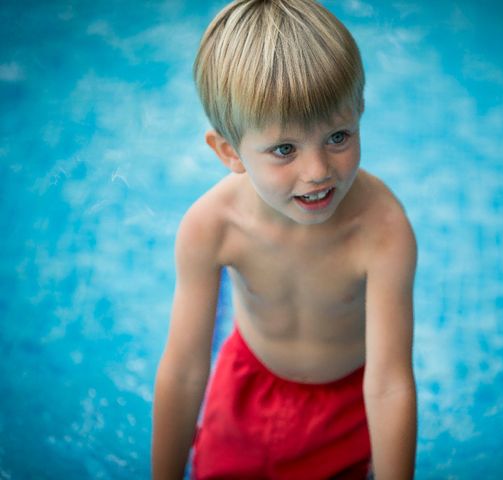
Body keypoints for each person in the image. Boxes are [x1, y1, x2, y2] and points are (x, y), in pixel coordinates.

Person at [151, 0, 417, 478]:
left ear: (360, 112)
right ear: (229, 151)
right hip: (245, 394)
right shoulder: (212, 226)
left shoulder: (383, 230)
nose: (318, 172)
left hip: (349, 405)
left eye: (338, 136)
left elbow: (389, 384)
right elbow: (185, 369)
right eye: (284, 149)